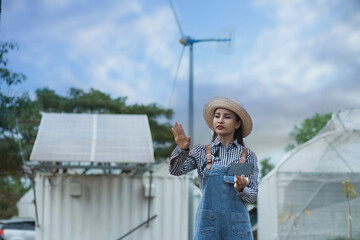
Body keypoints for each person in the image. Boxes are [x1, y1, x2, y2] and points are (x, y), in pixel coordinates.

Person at [169, 97, 258, 240]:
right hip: (207, 225)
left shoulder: (246, 156)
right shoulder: (201, 152)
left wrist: (241, 189)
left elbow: (252, 196)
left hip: (237, 227)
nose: (220, 120)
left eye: (227, 117)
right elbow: (175, 171)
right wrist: (182, 149)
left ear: (237, 124)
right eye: (217, 116)